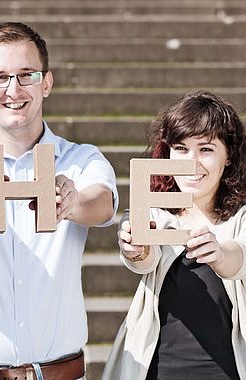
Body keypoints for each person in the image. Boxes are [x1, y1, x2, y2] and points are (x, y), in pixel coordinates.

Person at [0, 22, 118, 380]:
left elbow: (103, 200)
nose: (13, 89)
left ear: (46, 82)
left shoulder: (82, 159)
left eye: (26, 74)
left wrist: (73, 203)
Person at [102, 90, 246, 380]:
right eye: (181, 148)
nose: (191, 163)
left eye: (206, 149)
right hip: (157, 368)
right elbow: (143, 258)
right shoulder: (154, 211)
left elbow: (239, 257)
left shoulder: (240, 216)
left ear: (228, 156)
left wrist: (218, 253)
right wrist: (136, 247)